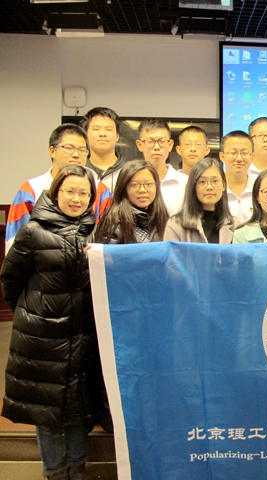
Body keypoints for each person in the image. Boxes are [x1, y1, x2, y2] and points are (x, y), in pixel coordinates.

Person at [1, 165, 100, 480]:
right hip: (41, 337)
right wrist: (32, 314)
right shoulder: (33, 231)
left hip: (82, 334)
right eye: (70, 191)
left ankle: (77, 466)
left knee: (78, 405)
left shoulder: (95, 231)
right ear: (56, 192)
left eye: (84, 193)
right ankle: (54, 471)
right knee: (45, 409)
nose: (76, 198)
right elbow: (10, 279)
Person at [5, 124, 111, 254]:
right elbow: (14, 243)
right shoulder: (30, 190)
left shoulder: (100, 191)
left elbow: (107, 240)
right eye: (69, 148)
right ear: (52, 151)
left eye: (82, 150)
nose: (76, 155)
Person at [93, 160, 168, 244]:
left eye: (149, 184)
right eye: (134, 185)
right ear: (123, 187)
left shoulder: (164, 219)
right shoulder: (112, 224)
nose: (142, 190)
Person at [164, 158, 235, 244]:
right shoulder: (175, 225)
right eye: (202, 182)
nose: (209, 187)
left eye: (215, 181)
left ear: (223, 186)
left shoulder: (234, 225)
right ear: (193, 186)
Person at [135, 118, 188, 216]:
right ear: (139, 145)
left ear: (170, 145)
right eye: (150, 141)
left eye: (162, 141)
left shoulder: (185, 182)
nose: (156, 147)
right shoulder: (130, 182)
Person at [80, 106, 126, 191]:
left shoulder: (129, 171)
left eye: (108, 129)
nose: (102, 134)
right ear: (85, 135)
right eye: (96, 129)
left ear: (117, 136)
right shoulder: (78, 169)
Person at [219, 130, 256, 224]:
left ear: (252, 157)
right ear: (222, 156)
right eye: (233, 152)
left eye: (245, 153)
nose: (239, 159)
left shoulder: (260, 188)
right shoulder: (215, 188)